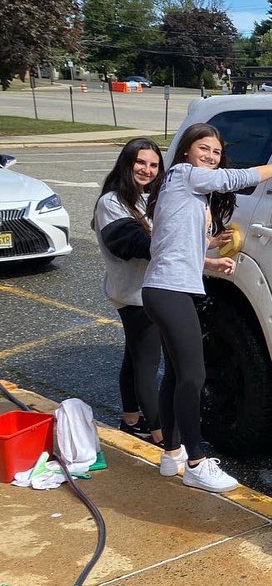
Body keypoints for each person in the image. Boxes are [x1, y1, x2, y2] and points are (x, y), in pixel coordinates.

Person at [142, 123, 272, 493]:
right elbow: (235, 178)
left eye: (215, 152)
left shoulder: (187, 192)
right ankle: (196, 462)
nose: (210, 156)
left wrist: (210, 257)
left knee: (179, 374)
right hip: (169, 290)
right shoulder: (184, 175)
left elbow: (171, 246)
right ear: (185, 153)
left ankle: (172, 453)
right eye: (203, 149)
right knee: (194, 375)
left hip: (170, 286)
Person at [92, 138, 165, 446]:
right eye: (140, 162)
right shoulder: (112, 202)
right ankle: (161, 434)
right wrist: (190, 242)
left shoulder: (142, 197)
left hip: (140, 291)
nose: (147, 170)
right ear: (126, 163)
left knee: (134, 357)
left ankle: (131, 419)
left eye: (153, 164)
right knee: (148, 363)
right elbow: (135, 245)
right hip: (135, 295)